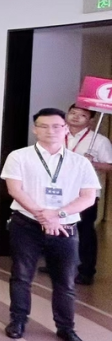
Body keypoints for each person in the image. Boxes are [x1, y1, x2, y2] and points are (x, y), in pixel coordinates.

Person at [0, 108, 97, 341]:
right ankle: (18, 320)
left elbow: (88, 197)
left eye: (56, 126)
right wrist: (43, 215)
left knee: (65, 281)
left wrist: (58, 215)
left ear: (65, 129)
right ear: (35, 129)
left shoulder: (80, 162)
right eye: (43, 126)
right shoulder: (19, 156)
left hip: (65, 227)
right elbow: (15, 190)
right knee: (21, 276)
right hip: (26, 225)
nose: (50, 131)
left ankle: (66, 327)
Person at [64, 104, 112, 285]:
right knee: (58, 229)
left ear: (91, 120)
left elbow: (109, 166)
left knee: (84, 231)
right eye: (73, 113)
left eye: (82, 115)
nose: (75, 117)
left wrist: (93, 163)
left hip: (85, 193)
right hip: (59, 191)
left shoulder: (99, 141)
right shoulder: (58, 135)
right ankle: (58, 263)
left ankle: (86, 271)